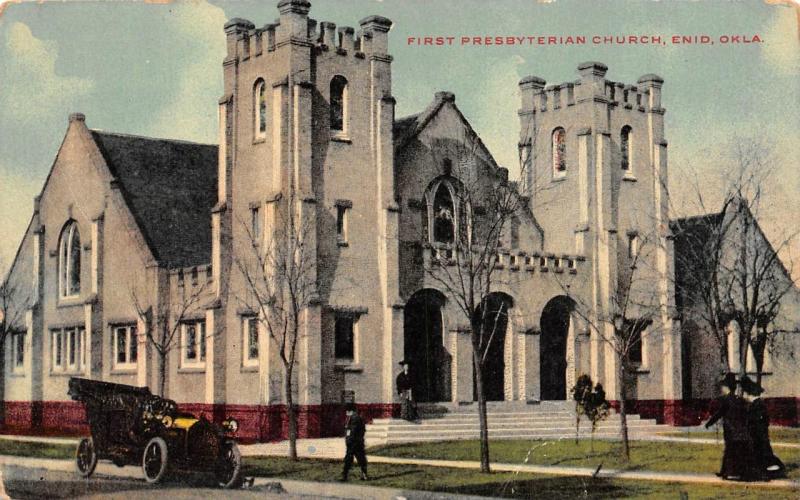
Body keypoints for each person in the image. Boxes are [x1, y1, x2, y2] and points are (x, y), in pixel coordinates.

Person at [705, 373, 755, 480]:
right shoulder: (740, 400)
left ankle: (727, 472)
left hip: (730, 430)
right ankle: (731, 472)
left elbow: (719, 413)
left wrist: (709, 423)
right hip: (741, 429)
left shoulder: (726, 400)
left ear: (726, 387)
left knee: (730, 450)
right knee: (738, 450)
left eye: (723, 386)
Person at [742, 377, 786, 480]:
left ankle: (773, 472)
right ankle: (768, 471)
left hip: (758, 435)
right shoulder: (759, 404)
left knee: (763, 454)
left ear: (749, 394)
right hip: (760, 434)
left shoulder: (756, 406)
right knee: (763, 454)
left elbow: (756, 422)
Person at [340, 403, 368, 482]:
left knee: (351, 459)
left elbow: (353, 431)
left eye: (346, 410)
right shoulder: (353, 417)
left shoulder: (355, 418)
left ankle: (345, 476)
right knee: (359, 459)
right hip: (355, 442)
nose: (345, 412)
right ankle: (363, 474)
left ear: (349, 410)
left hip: (354, 443)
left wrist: (349, 440)